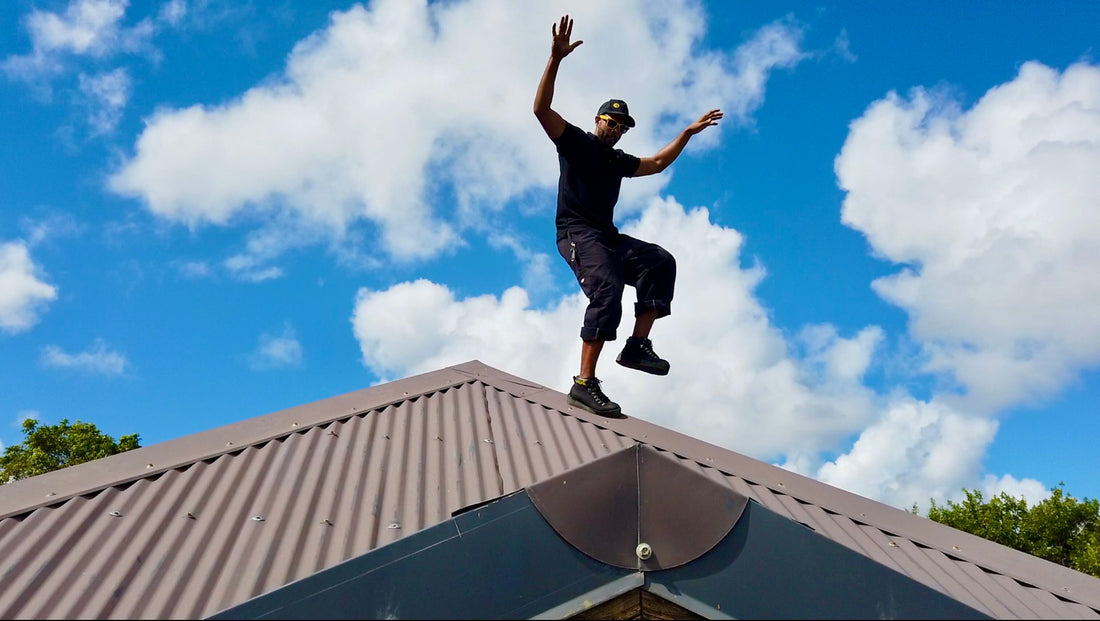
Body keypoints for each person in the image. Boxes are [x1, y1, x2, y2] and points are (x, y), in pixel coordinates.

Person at [534, 15, 723, 417]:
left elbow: (655, 164)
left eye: (622, 126)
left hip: (606, 236)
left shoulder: (617, 160)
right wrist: (555, 60)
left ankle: (637, 346)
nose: (616, 129)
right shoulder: (575, 143)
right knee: (607, 289)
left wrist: (687, 134)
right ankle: (584, 383)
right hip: (575, 234)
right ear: (597, 120)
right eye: (611, 121)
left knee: (659, 261)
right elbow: (541, 108)